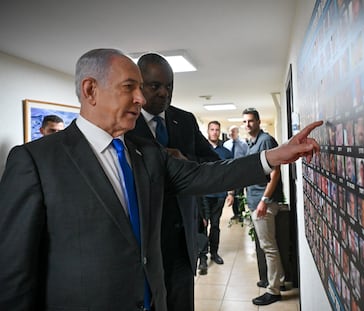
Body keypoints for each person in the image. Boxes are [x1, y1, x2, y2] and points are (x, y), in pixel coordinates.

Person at [0, 48, 322, 310]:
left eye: (142, 88)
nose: (141, 99)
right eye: (130, 87)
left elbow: (208, 173)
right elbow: (14, 274)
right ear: (90, 90)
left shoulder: (145, 154)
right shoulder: (35, 161)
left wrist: (273, 156)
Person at [126, 53, 219, 311]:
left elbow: (211, 162)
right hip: (144, 242)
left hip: (182, 240)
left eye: (169, 87)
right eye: (155, 86)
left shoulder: (185, 120)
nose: (164, 93)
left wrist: (185, 159)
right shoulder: (126, 123)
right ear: (139, 85)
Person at [242, 108, 286, 306]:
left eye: (251, 121)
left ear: (258, 121)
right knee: (265, 244)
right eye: (245, 121)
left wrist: (264, 200)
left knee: (268, 247)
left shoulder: (266, 140)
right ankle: (277, 280)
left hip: (263, 203)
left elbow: (275, 172)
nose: (248, 124)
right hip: (255, 200)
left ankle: (274, 289)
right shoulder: (251, 143)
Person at [198, 121, 233, 273]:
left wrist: (231, 193)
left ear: (219, 132)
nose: (214, 132)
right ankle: (203, 257)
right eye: (212, 129)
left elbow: (230, 174)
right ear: (208, 131)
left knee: (216, 225)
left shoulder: (226, 152)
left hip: (219, 194)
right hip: (204, 194)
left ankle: (214, 253)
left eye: (217, 130)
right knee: (203, 225)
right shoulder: (200, 150)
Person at [223, 125, 248, 222]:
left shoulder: (243, 144)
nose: (231, 133)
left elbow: (247, 157)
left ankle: (241, 213)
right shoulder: (226, 144)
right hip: (230, 172)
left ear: (237, 132)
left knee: (239, 193)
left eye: (233, 131)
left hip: (240, 172)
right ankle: (235, 213)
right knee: (231, 193)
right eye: (230, 131)